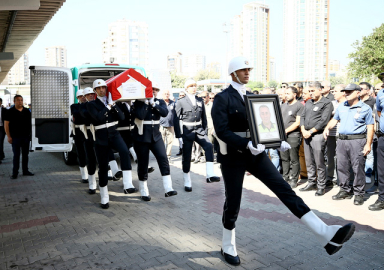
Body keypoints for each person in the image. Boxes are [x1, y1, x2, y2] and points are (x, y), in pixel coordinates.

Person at [212, 56, 355, 266]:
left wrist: (276, 141)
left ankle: (325, 233)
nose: (247, 73)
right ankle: (227, 245)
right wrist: (245, 145)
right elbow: (222, 130)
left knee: (285, 190)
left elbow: (262, 125)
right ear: (233, 73)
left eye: (248, 69)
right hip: (234, 155)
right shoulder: (222, 98)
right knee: (233, 202)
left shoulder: (252, 96)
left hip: (257, 152)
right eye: (243, 70)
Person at [324, 84, 374, 206]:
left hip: (357, 140)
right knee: (342, 166)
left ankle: (358, 194)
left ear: (358, 93)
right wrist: (327, 128)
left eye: (349, 92)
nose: (346, 93)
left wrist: (368, 144)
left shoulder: (365, 108)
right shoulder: (342, 106)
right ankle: (344, 190)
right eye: (345, 91)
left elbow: (370, 127)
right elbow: (334, 120)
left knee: (358, 168)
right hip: (341, 140)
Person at [86, 79, 132, 209]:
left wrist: (115, 105)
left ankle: (128, 184)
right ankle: (104, 196)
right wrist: (109, 106)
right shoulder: (91, 104)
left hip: (114, 134)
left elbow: (122, 118)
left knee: (124, 151)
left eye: (104, 88)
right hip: (101, 137)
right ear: (95, 91)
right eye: (99, 88)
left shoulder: (112, 102)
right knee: (103, 167)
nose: (102, 90)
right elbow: (99, 118)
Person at [132, 85, 177, 201]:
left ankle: (168, 188)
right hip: (141, 137)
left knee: (163, 158)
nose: (154, 92)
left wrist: (153, 103)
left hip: (156, 136)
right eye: (152, 89)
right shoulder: (138, 102)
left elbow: (164, 113)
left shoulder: (159, 101)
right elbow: (140, 115)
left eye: (156, 90)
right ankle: (144, 190)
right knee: (143, 163)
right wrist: (146, 102)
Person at [174, 79, 220, 192]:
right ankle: (187, 180)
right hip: (187, 130)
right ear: (186, 88)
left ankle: (210, 174)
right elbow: (176, 118)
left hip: (199, 129)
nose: (194, 87)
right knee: (187, 156)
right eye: (191, 86)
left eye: (195, 85)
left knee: (209, 146)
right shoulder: (181, 101)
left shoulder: (199, 100)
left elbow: (204, 117)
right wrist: (179, 136)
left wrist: (204, 130)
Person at [300, 82, 333, 196]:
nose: (311, 93)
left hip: (317, 135)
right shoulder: (309, 102)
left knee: (319, 162)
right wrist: (303, 130)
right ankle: (311, 182)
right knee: (309, 161)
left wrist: (311, 131)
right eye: (309, 91)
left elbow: (324, 121)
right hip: (306, 134)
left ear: (320, 90)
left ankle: (321, 186)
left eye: (313, 91)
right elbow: (302, 116)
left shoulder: (327, 103)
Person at [4, 95, 33, 179]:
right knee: (16, 155)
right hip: (15, 137)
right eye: (18, 100)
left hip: (26, 137)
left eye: (21, 100)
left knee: (25, 155)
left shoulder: (27, 111)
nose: (20, 102)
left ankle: (25, 171)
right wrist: (8, 136)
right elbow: (6, 124)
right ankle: (15, 173)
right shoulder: (10, 111)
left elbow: (31, 124)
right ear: (14, 101)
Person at [281, 86, 304, 187]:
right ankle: (285, 178)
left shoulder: (299, 106)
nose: (286, 95)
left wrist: (286, 131)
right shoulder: (283, 105)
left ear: (294, 94)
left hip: (293, 135)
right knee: (284, 158)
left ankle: (294, 179)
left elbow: (297, 122)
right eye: (285, 93)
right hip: (282, 136)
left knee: (294, 158)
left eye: (288, 93)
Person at [326, 84, 346, 186]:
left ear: (343, 92)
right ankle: (330, 178)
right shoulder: (331, 104)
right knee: (330, 156)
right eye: (333, 91)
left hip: (342, 134)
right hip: (331, 133)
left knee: (341, 158)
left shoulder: (348, 104)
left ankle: (341, 180)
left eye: (336, 91)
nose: (333, 93)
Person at [369, 82, 384, 210]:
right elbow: (379, 112)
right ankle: (382, 199)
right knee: (381, 170)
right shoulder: (380, 94)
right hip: (383, 137)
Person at [70, 90, 90, 183]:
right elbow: (77, 115)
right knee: (81, 153)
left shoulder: (90, 104)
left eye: (84, 96)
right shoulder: (74, 106)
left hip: (89, 131)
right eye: (80, 96)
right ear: (77, 98)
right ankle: (84, 175)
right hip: (78, 132)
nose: (83, 97)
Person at [359, 82, 376, 185]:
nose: (359, 90)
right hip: (358, 133)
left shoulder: (373, 101)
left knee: (369, 155)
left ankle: (368, 174)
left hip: (369, 131)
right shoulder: (356, 101)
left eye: (361, 88)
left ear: (368, 91)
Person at [160, 89, 176, 161]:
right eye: (165, 94)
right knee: (161, 142)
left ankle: (168, 156)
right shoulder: (160, 102)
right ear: (162, 95)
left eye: (168, 94)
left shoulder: (173, 103)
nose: (166, 95)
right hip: (161, 125)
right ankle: (162, 156)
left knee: (170, 141)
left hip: (171, 125)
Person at [175, 90, 186, 157]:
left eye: (183, 95)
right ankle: (181, 148)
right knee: (179, 137)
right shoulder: (176, 103)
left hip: (185, 121)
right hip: (179, 121)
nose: (181, 96)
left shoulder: (187, 102)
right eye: (180, 95)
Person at [0, 98, 6, 162]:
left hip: (2, 128)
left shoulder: (4, 110)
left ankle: (1, 155)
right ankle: (1, 154)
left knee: (0, 141)